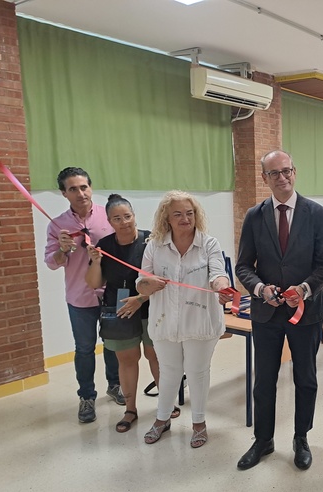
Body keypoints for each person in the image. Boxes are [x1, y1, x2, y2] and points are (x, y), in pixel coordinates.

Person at [235, 150, 323, 471]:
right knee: (264, 380)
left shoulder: (316, 214)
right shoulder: (254, 216)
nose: (282, 177)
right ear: (264, 178)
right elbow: (243, 266)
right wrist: (260, 289)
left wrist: (304, 289)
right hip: (266, 313)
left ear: (295, 171)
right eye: (274, 173)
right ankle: (263, 440)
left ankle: (301, 437)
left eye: (287, 171)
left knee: (305, 378)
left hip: (305, 311)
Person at [136, 191, 230, 449]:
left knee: (198, 373)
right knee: (169, 373)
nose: (185, 218)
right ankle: (162, 418)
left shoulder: (209, 244)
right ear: (166, 217)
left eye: (189, 213)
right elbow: (141, 285)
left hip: (200, 322)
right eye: (177, 214)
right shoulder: (154, 246)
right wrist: (148, 283)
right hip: (165, 322)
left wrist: (223, 287)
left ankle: (199, 423)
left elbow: (218, 274)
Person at [44, 167, 124, 424]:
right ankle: (87, 397)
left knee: (114, 344)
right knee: (85, 349)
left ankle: (115, 385)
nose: (80, 193)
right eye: (73, 189)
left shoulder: (108, 216)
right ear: (64, 193)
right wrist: (63, 251)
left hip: (111, 294)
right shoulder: (58, 225)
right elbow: (51, 263)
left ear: (91, 187)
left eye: (84, 187)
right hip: (80, 298)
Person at [85, 194, 168, 433]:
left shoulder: (151, 241)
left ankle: (165, 404)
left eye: (127, 216)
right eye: (117, 218)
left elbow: (164, 278)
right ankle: (130, 409)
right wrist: (96, 262)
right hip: (120, 311)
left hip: (152, 308)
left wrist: (140, 299)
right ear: (110, 221)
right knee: (128, 361)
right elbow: (93, 283)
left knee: (157, 357)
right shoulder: (104, 246)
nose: (124, 222)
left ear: (134, 216)